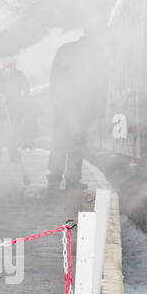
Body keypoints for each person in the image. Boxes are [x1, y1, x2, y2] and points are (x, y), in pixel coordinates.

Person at [47, 35, 106, 190]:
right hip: (81, 107)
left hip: (64, 105)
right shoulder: (94, 57)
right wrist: (98, 110)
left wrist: (55, 101)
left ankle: (54, 177)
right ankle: (72, 180)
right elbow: (99, 85)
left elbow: (54, 78)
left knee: (60, 142)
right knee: (77, 144)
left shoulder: (65, 49)